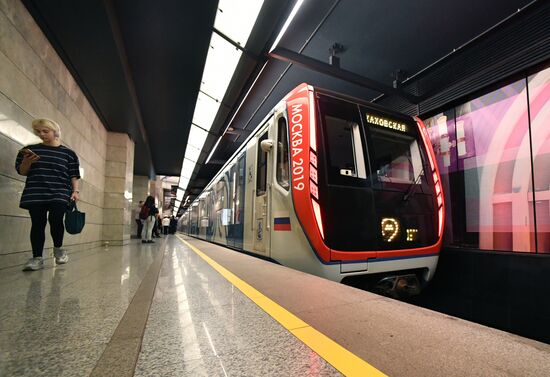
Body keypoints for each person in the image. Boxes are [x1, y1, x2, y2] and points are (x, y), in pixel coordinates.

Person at [15, 118, 80, 271]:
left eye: (45, 131)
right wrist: (27, 161)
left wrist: (75, 191)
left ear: (55, 132)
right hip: (36, 192)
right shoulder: (29, 150)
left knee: (56, 219)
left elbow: (73, 175)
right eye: (38, 131)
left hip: (59, 191)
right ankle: (37, 258)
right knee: (37, 224)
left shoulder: (68, 154)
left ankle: (58, 249)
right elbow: (22, 171)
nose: (41, 134)